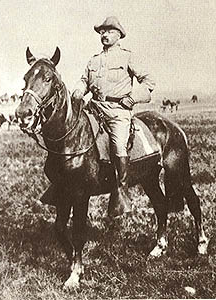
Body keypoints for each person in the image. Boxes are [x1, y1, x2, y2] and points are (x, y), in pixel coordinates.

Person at [72, 16, 155, 218]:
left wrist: (133, 98)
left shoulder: (127, 57)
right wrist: (77, 91)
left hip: (118, 110)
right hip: (94, 107)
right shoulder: (94, 60)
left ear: (118, 35)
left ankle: (121, 191)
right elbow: (84, 81)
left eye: (108, 31)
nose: (104, 35)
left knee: (118, 145)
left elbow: (149, 81)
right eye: (102, 32)